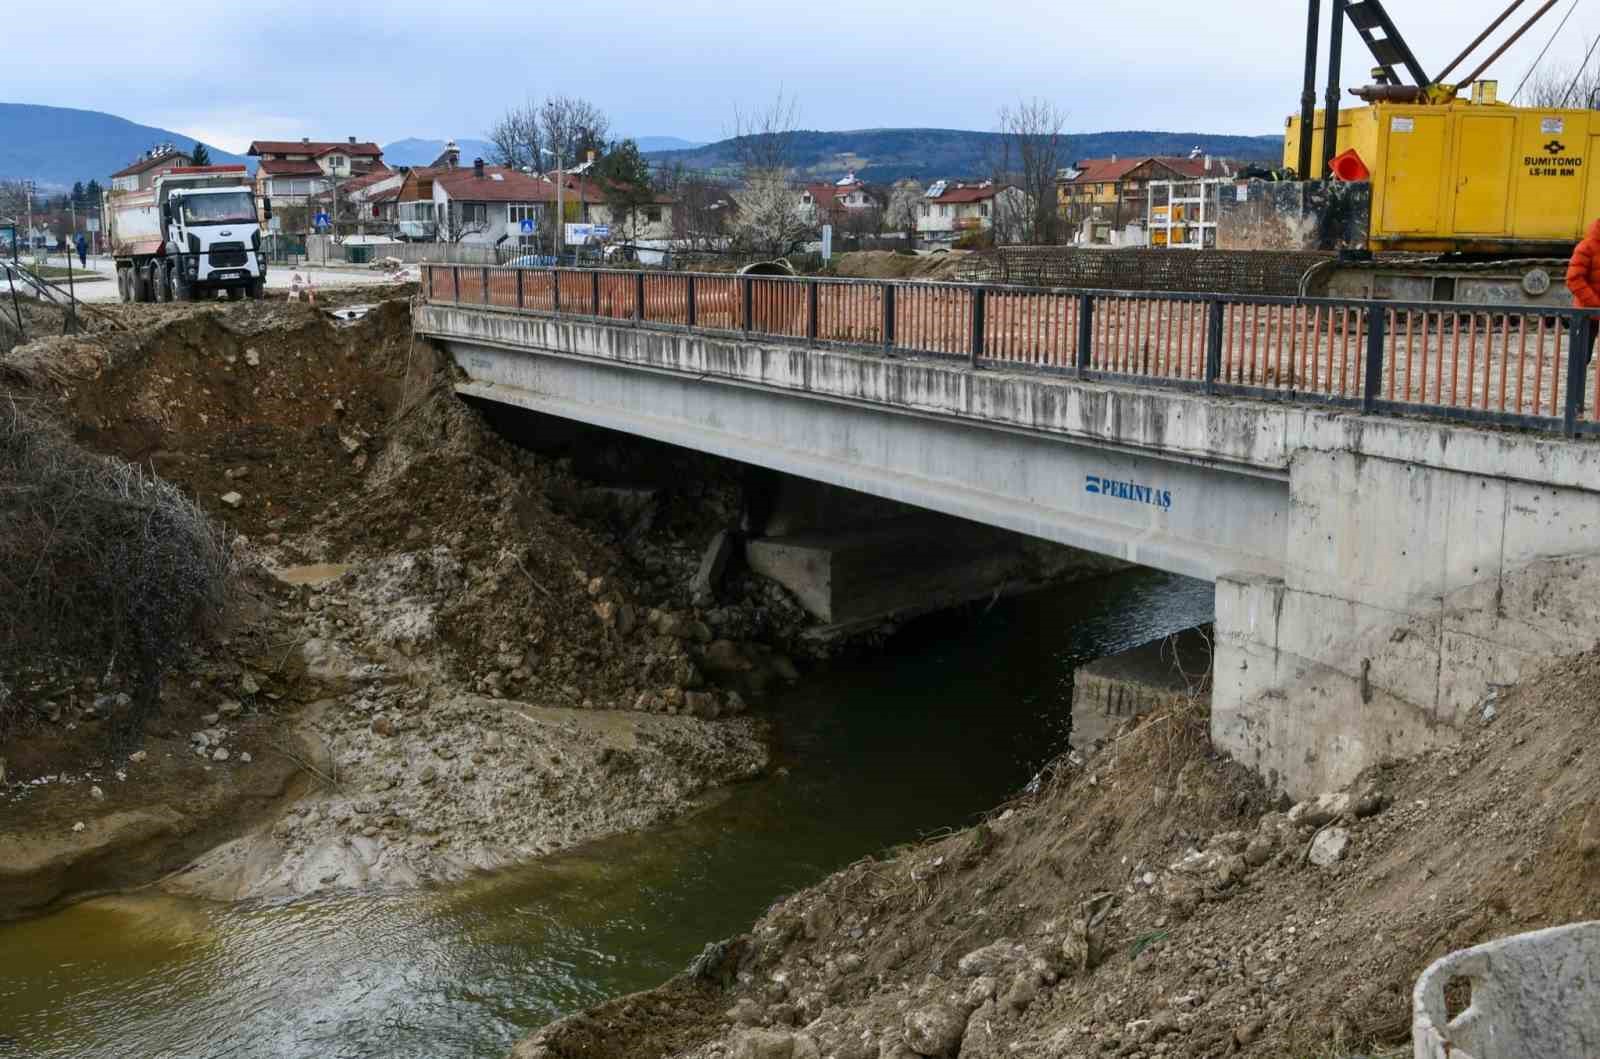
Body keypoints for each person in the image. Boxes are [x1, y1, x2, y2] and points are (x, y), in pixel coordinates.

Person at [1565, 218, 1600, 361]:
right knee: (1581, 359)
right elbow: (1573, 279)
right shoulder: (1587, 247)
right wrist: (1596, 305)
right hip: (1588, 313)